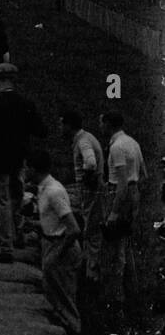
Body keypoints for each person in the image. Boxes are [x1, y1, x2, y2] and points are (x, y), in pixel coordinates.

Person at [0, 63, 47, 264]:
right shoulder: (26, 104)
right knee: (17, 196)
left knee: (0, 202)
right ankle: (18, 235)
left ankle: (3, 247)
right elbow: (41, 131)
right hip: (18, 158)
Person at [25, 148, 84, 335]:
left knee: (65, 298)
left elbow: (74, 229)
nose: (25, 172)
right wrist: (32, 225)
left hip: (63, 249)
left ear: (34, 169)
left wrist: (55, 255)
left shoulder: (53, 192)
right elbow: (51, 222)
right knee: (54, 295)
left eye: (27, 168)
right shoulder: (43, 189)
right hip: (52, 243)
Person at [100, 110, 145, 312]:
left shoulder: (117, 147)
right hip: (133, 193)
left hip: (120, 194)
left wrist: (115, 211)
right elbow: (143, 174)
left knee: (115, 248)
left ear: (109, 124)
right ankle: (131, 292)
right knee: (125, 245)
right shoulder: (132, 142)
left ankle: (115, 297)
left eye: (102, 123)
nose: (100, 127)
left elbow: (122, 183)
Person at [61, 109, 105, 284]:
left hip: (91, 190)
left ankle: (92, 273)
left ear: (69, 125)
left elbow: (91, 162)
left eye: (62, 123)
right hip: (90, 189)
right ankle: (89, 267)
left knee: (92, 228)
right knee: (89, 226)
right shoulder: (84, 138)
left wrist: (87, 182)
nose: (60, 127)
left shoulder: (84, 141)